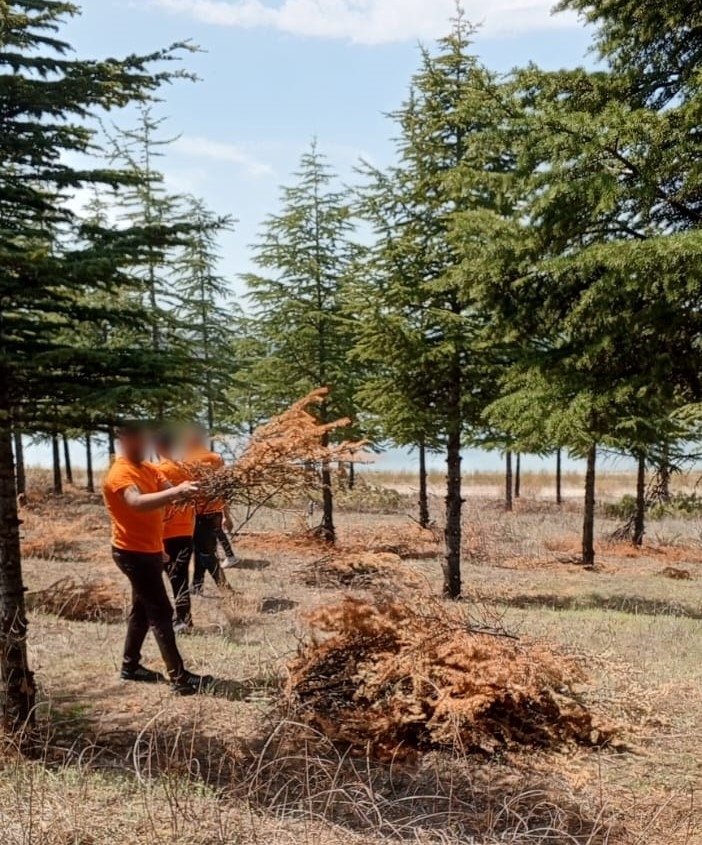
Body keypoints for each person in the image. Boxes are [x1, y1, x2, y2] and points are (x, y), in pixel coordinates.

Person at [102, 422, 211, 696]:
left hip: (150, 549)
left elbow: (170, 493)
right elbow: (137, 503)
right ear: (125, 441)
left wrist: (194, 488)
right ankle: (179, 678)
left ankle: (130, 666)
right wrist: (177, 492)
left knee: (142, 609)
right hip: (131, 553)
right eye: (138, 440)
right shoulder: (119, 473)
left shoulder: (149, 468)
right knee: (161, 611)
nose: (143, 445)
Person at [153, 429, 195, 633]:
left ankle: (178, 620)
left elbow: (158, 507)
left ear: (158, 447)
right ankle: (184, 618)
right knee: (181, 578)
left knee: (167, 579)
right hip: (187, 530)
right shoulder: (184, 470)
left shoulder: (159, 471)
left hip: (167, 532)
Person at [184, 427, 235, 594]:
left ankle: (226, 589)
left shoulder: (186, 461)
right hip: (216, 512)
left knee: (205, 552)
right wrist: (227, 516)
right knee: (204, 548)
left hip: (197, 514)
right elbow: (223, 490)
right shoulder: (216, 459)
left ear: (190, 441)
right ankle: (197, 585)